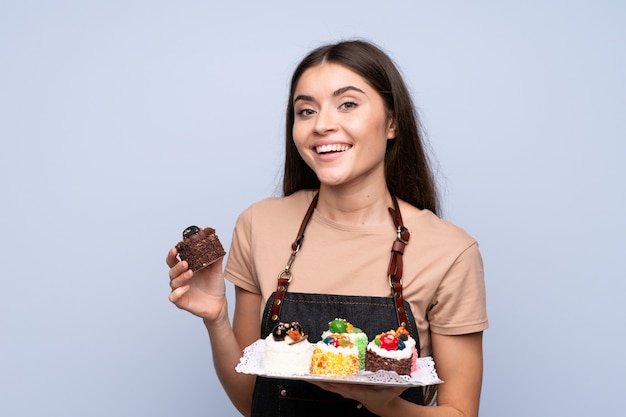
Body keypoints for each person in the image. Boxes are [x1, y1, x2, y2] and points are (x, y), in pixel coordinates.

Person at [167, 39, 488, 417]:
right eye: (306, 111)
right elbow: (250, 400)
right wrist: (216, 318)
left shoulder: (449, 250)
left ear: (392, 121)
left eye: (347, 104)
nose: (322, 125)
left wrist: (385, 405)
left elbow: (460, 412)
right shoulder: (258, 225)